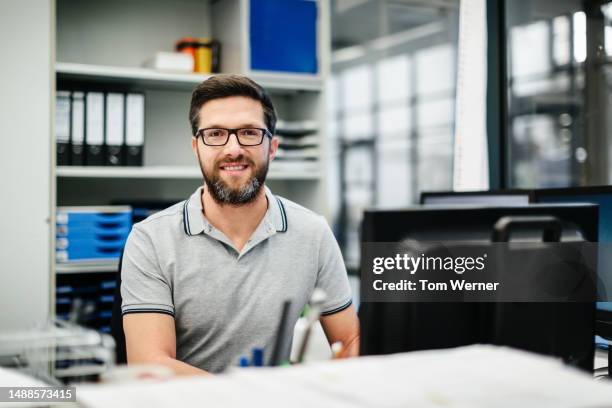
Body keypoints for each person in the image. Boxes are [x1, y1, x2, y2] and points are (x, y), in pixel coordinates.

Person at [121, 74, 359, 375]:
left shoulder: (313, 232)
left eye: (249, 133)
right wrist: (250, 398)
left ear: (272, 148)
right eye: (216, 134)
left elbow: (351, 339)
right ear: (197, 147)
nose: (233, 148)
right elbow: (149, 365)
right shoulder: (150, 239)